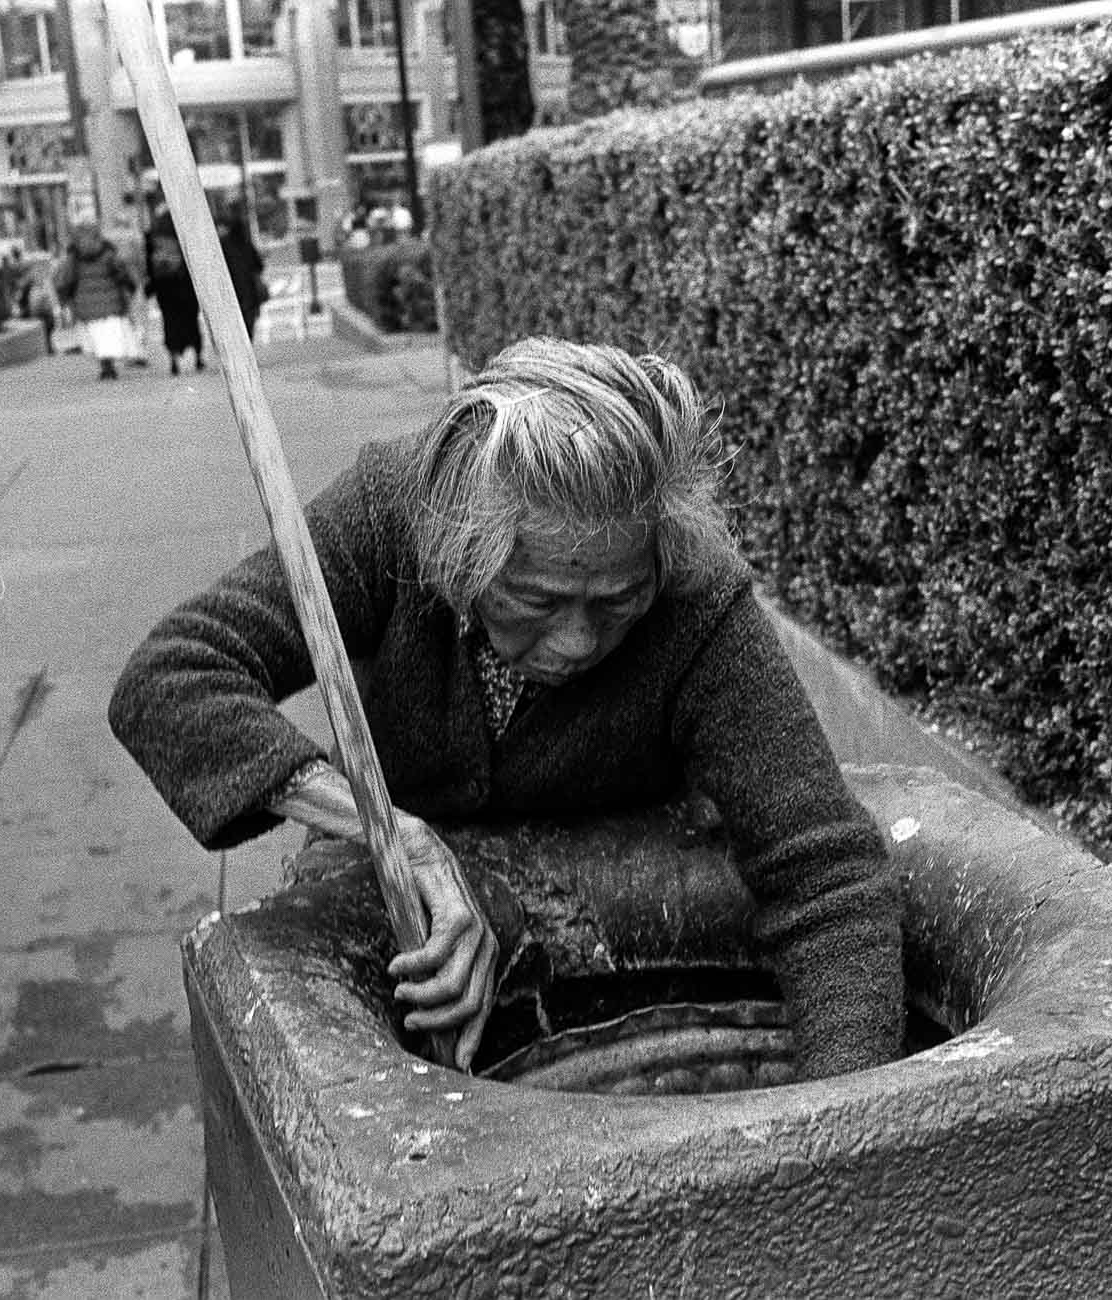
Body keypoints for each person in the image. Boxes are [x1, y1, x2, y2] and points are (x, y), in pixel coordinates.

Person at [109, 338, 907, 1078]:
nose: (576, 642)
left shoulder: (697, 596)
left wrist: (837, 1128)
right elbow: (173, 678)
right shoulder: (392, 514)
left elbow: (827, 876)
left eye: (618, 599)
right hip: (419, 950)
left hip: (626, 965)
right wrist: (391, 834)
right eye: (535, 600)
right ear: (462, 549)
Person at [54, 222, 137, 380]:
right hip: (110, 301)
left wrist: (65, 298)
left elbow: (65, 280)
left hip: (85, 304)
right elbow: (122, 273)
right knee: (108, 334)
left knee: (96, 336)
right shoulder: (108, 253)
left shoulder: (73, 257)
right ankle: (109, 364)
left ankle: (105, 366)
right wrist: (129, 287)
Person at [144, 200, 205, 374]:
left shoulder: (153, 236)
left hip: (164, 287)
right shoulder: (186, 232)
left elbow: (149, 264)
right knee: (191, 320)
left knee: (169, 321)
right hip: (186, 284)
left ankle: (173, 359)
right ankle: (198, 357)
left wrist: (152, 285)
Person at [216, 204, 270, 341]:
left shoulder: (223, 246)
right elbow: (259, 265)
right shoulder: (246, 245)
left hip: (231, 292)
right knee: (248, 326)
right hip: (249, 293)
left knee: (235, 327)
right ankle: (247, 350)